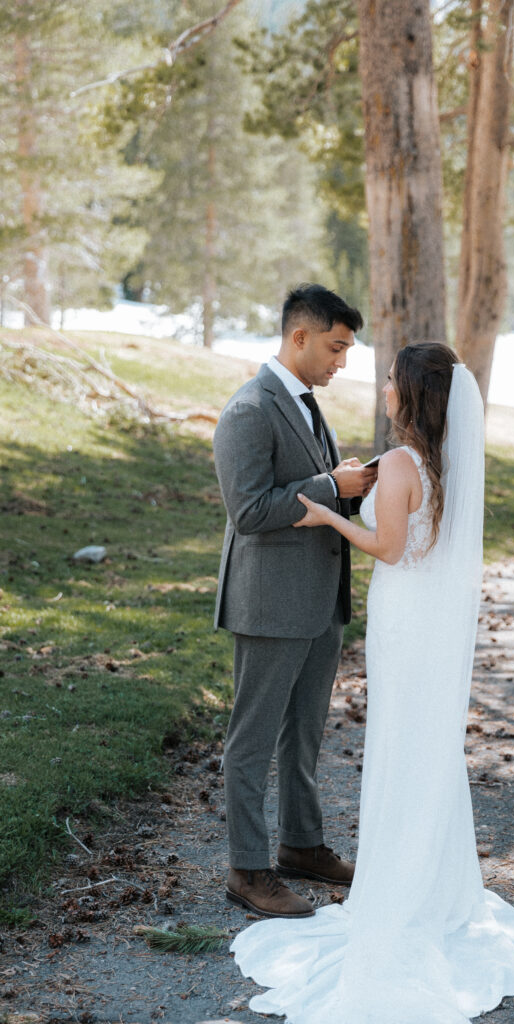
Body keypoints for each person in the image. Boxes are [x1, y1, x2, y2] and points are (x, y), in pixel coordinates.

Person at [230, 343, 514, 1023]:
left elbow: (389, 548)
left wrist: (327, 514)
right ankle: (433, 882)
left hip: (404, 616)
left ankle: (398, 887)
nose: (381, 389)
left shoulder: (401, 462)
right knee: (425, 747)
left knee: (402, 744)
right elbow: (423, 536)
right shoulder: (440, 462)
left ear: (411, 393)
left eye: (389, 381)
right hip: (428, 616)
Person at [213, 284, 378, 920]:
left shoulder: (308, 405)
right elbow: (250, 511)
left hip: (319, 603)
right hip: (269, 605)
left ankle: (302, 846)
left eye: (348, 350)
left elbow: (316, 495)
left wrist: (358, 487)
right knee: (251, 742)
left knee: (305, 733)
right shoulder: (249, 409)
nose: (342, 361)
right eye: (336, 347)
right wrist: (327, 485)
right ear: (299, 337)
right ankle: (247, 871)